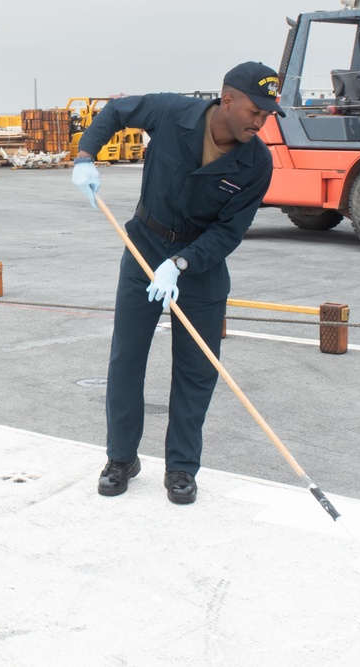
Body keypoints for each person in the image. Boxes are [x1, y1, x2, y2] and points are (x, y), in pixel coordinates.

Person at [71, 62, 283, 505]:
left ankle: (182, 467)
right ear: (227, 100)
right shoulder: (171, 113)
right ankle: (121, 458)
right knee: (127, 358)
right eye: (254, 111)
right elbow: (115, 112)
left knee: (196, 370)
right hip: (145, 248)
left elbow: (229, 232)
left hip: (200, 266)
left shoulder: (256, 163)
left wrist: (182, 264)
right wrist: (86, 156)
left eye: (266, 115)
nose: (259, 121)